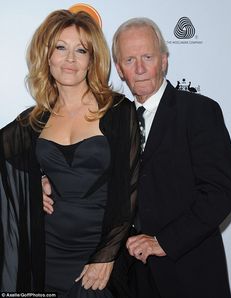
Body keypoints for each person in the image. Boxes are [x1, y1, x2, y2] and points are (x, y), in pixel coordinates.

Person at [0, 10, 140, 297]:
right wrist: (32, 181)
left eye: (81, 50)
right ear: (46, 55)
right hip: (45, 256)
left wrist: (106, 256)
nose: (70, 59)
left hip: (97, 257)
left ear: (92, 60)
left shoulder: (117, 111)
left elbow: (131, 190)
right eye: (61, 48)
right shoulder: (33, 121)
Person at [110, 17, 231, 298]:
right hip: (129, 279)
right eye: (129, 60)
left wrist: (162, 242)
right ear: (119, 69)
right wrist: (45, 182)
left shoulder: (199, 111)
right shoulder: (114, 122)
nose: (140, 68)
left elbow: (222, 192)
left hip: (189, 273)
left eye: (147, 57)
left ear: (164, 60)